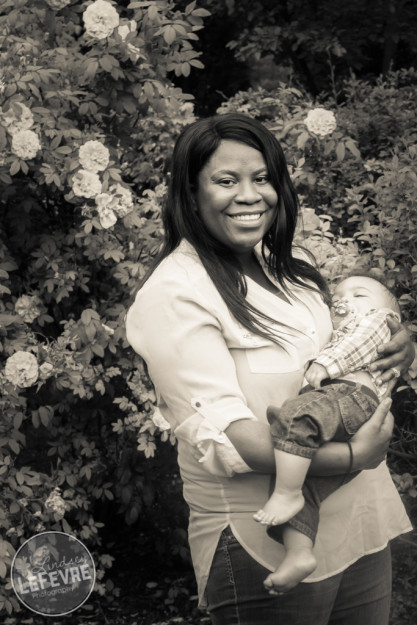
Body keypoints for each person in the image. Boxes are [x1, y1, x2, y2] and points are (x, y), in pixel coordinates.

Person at [125, 113, 414, 625]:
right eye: (226, 180)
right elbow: (234, 442)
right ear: (190, 194)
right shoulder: (175, 296)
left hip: (360, 523)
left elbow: (349, 349)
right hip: (264, 542)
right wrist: (354, 456)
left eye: (261, 178)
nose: (250, 195)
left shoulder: (290, 267)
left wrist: (396, 345)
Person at [254, 274, 403, 593]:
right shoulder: (343, 328)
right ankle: (299, 554)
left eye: (359, 294)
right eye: (339, 293)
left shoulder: (379, 320)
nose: (344, 297)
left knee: (298, 414)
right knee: (305, 479)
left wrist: (325, 365)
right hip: (342, 407)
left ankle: (288, 462)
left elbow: (358, 342)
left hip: (351, 394)